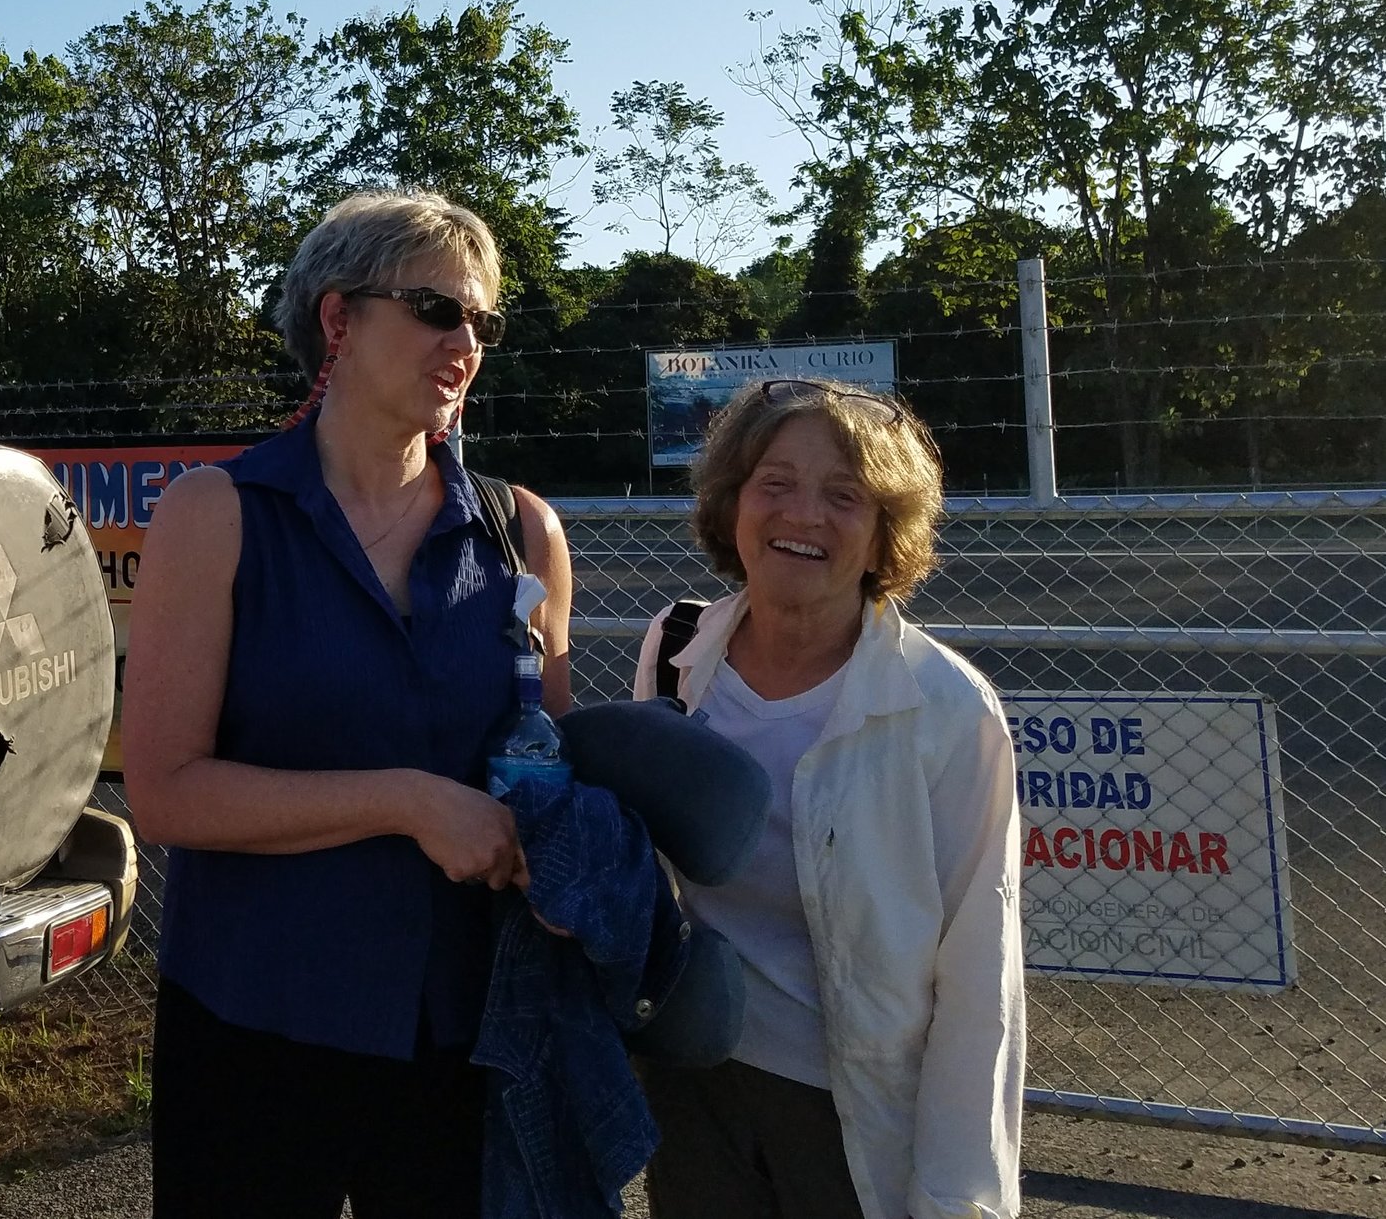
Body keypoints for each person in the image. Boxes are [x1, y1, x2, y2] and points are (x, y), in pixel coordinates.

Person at [121, 189, 575, 1219]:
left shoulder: (521, 532)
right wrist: (409, 801)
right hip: (255, 1027)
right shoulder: (218, 515)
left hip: (464, 1036)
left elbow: (542, 769)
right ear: (338, 319)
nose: (465, 340)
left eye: (481, 321)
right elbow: (165, 793)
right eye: (435, 309)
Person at [632, 378, 1023, 1219]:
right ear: (733, 503)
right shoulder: (673, 653)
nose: (802, 515)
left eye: (845, 495)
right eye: (775, 483)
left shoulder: (944, 705)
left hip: (854, 1113)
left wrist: (957, 1196)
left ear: (887, 532)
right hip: (694, 1085)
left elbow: (980, 975)